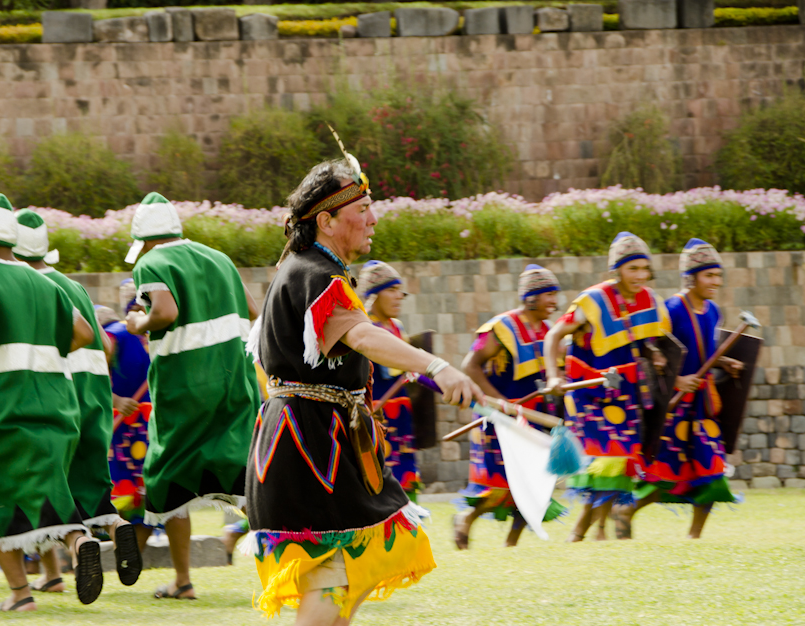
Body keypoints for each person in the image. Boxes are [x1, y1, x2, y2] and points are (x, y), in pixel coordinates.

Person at [244, 155, 482, 625]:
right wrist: (438, 366)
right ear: (327, 220)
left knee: (345, 579)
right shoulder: (314, 275)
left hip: (314, 439)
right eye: (363, 208)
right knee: (330, 583)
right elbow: (363, 336)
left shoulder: (303, 269)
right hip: (304, 445)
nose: (373, 219)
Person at [0, 193, 102, 611]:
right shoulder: (45, 282)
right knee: (49, 486)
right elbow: (85, 334)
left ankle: (20, 594)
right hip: (55, 401)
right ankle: (80, 539)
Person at [123, 192, 260, 600]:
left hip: (184, 386)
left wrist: (136, 323)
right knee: (244, 477)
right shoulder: (218, 257)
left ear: (145, 241)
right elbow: (253, 310)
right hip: (235, 380)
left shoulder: (152, 262)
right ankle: (303, 556)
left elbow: (164, 313)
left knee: (169, 476)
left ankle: (183, 581)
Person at [12, 210, 142, 590]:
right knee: (89, 486)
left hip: (56, 397)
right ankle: (116, 527)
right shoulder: (76, 288)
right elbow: (103, 343)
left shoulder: (21, 286)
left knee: (42, 482)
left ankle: (59, 564)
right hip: (94, 399)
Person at [544, 232, 670, 542]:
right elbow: (553, 337)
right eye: (633, 269)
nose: (640, 276)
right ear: (617, 270)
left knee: (622, 460)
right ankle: (581, 532)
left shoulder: (648, 300)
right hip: (587, 392)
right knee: (607, 460)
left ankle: (593, 533)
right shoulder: (593, 300)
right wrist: (552, 376)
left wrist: (654, 355)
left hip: (625, 392)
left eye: (644, 269)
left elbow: (642, 340)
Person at [615, 239, 742, 538]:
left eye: (718, 275)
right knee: (665, 476)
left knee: (712, 470)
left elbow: (702, 351)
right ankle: (626, 511)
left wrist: (723, 362)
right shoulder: (669, 309)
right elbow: (652, 357)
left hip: (703, 405)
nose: (716, 282)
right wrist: (676, 381)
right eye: (709, 275)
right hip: (674, 407)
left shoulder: (713, 311)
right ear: (691, 276)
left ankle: (694, 537)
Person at [454, 264, 567, 549]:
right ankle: (466, 519)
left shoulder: (548, 331)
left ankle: (511, 546)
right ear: (530, 297)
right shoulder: (501, 327)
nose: (553, 302)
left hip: (534, 418)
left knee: (532, 482)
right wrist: (498, 403)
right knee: (498, 485)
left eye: (555, 295)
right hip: (499, 418)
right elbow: (470, 366)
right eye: (547, 295)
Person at [359, 260, 423, 502]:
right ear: (373, 296)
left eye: (400, 292)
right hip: (375, 417)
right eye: (392, 290)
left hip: (400, 416)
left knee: (406, 478)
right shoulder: (364, 327)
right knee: (376, 478)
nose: (399, 297)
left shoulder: (397, 327)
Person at [95, 300, 154, 554]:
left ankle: (125, 555)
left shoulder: (111, 336)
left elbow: (91, 378)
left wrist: (115, 400)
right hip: (148, 429)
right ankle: (131, 556)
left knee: (124, 492)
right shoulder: (145, 338)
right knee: (144, 493)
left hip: (122, 431)